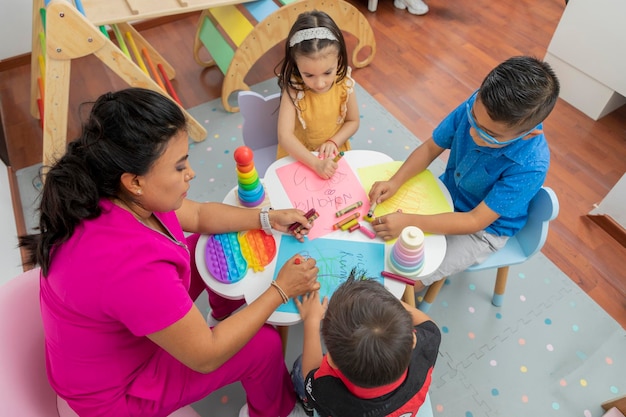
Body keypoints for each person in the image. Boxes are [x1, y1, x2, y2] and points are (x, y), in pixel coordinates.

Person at [18, 88, 320, 417]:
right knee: (263, 345)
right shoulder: (131, 267)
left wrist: (267, 218)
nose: (191, 173)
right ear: (135, 181)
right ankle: (270, 411)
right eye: (179, 167)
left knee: (203, 250)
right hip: (117, 394)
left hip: (108, 339)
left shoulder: (111, 187)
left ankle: (219, 315)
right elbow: (207, 355)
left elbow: (201, 216)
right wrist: (281, 290)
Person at [368, 56, 560, 291]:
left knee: (409, 278)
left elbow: (474, 221)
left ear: (529, 134)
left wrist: (411, 222)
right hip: (446, 193)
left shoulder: (531, 164)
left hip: (483, 231)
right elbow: (430, 147)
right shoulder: (478, 107)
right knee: (387, 244)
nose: (473, 133)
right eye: (474, 120)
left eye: (489, 135)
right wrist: (395, 181)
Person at [291, 271, 441, 416]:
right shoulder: (428, 344)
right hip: (407, 404)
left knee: (299, 369)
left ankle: (306, 405)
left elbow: (309, 373)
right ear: (412, 339)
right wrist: (382, 301)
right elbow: (428, 324)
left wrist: (311, 320)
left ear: (331, 362)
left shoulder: (329, 393)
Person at [275, 10, 360, 179]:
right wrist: (315, 164)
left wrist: (334, 141)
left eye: (328, 73)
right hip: (300, 155)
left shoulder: (344, 83)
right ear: (296, 65)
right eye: (309, 75)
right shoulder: (294, 88)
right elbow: (285, 136)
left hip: (333, 151)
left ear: (339, 60)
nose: (320, 83)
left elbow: (353, 121)